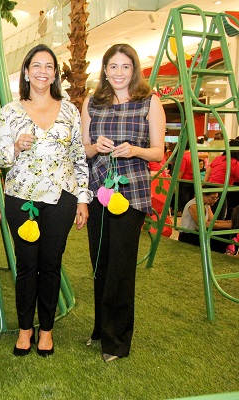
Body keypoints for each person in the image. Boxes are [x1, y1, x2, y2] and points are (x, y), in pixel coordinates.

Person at [0, 44, 90, 358]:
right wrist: (17, 148)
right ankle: (25, 330)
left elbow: (78, 155)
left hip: (62, 197)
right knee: (26, 266)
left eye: (49, 66)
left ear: (54, 74)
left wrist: (83, 198)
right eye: (36, 65)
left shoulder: (69, 110)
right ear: (26, 71)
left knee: (51, 265)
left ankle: (46, 330)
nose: (42, 71)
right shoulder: (10, 110)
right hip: (21, 200)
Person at [81, 43, 165, 362]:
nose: (119, 73)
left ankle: (117, 341)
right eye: (113, 66)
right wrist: (95, 146)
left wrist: (135, 150)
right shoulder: (93, 102)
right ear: (105, 70)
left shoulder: (149, 102)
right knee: (100, 262)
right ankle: (101, 329)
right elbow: (82, 149)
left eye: (125, 66)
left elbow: (158, 151)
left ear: (134, 70)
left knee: (120, 266)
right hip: (99, 192)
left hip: (132, 193)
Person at [204, 138, 239, 220]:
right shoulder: (234, 162)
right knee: (221, 214)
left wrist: (204, 185)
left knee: (212, 213)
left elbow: (208, 172)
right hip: (221, 190)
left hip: (211, 188)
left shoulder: (218, 158)